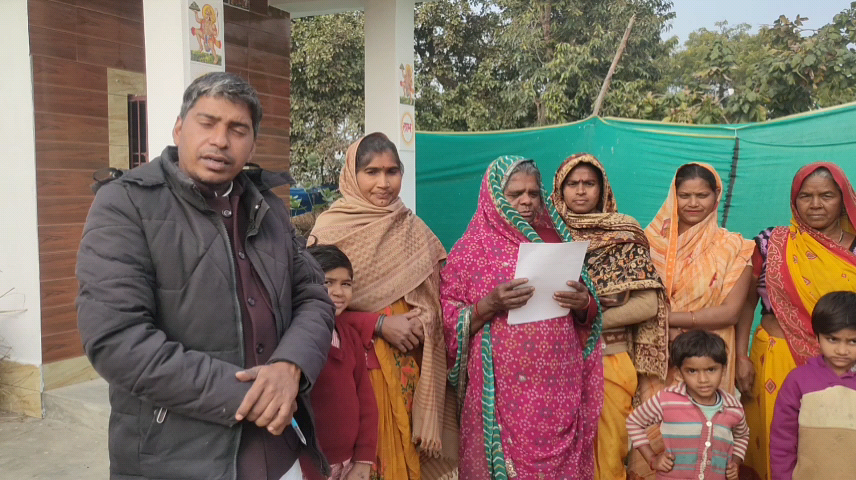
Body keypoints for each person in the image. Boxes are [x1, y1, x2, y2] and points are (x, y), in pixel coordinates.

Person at [76, 72, 335, 480]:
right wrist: (249, 393)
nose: (220, 140)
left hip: (280, 453)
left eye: (237, 129)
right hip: (176, 458)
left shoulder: (268, 207)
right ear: (179, 128)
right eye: (207, 123)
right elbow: (116, 340)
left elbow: (314, 296)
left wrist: (291, 365)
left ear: (252, 143)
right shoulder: (126, 205)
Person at [441, 155, 603, 478]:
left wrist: (584, 303)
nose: (527, 201)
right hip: (501, 397)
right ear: (493, 197)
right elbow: (447, 320)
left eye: (533, 193)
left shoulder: (555, 240)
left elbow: (590, 313)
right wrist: (489, 304)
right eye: (515, 194)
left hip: (559, 391)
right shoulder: (470, 250)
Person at [309, 133, 456, 480]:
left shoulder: (413, 228)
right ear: (352, 174)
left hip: (410, 366)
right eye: (371, 172)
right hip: (353, 370)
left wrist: (424, 319)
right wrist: (379, 324)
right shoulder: (329, 230)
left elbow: (438, 294)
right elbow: (310, 306)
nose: (383, 183)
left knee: (407, 457)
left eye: (392, 172)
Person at [550, 153, 669, 480]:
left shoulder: (625, 233)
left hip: (610, 357)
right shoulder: (544, 234)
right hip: (554, 360)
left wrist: (589, 316)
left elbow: (647, 305)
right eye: (572, 184)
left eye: (589, 183)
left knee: (609, 456)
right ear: (560, 189)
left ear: (603, 188)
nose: (581, 191)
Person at [738, 162, 856, 480]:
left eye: (826, 195)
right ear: (794, 199)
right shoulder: (771, 242)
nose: (815, 204)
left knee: (833, 447)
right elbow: (746, 304)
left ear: (843, 198)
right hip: (775, 357)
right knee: (777, 444)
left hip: (845, 363)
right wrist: (740, 357)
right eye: (806, 196)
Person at [644, 163, 754, 392]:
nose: (693, 203)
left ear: (716, 196)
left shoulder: (734, 247)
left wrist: (668, 319)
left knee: (707, 413)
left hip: (710, 357)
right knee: (653, 413)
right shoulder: (650, 243)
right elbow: (639, 299)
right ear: (673, 197)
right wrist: (667, 329)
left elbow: (730, 312)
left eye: (702, 196)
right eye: (685, 196)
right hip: (658, 352)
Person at [626, 330, 749, 480]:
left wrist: (735, 462)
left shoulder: (733, 408)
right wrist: (652, 458)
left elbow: (742, 435)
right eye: (692, 371)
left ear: (723, 369)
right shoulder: (667, 400)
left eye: (711, 369)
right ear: (679, 373)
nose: (703, 379)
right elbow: (634, 422)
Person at [301, 245, 379, 480]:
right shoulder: (296, 339)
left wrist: (363, 459)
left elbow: (366, 400)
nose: (338, 292)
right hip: (308, 465)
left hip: (347, 466)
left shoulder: (349, 336)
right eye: (328, 282)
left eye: (346, 284)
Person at [770, 291, 856, 480]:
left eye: (853, 341)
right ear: (817, 337)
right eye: (833, 339)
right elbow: (782, 441)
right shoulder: (798, 380)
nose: (842, 350)